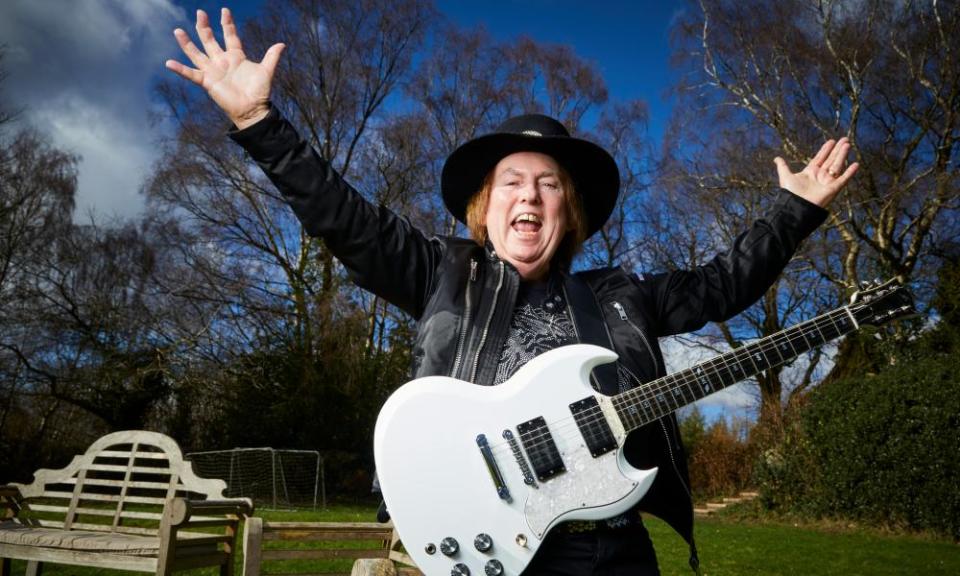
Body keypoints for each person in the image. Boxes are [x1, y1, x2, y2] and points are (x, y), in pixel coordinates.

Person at [166, 8, 858, 576]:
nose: (530, 194)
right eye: (511, 182)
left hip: (616, 548)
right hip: (495, 544)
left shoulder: (620, 295)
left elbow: (719, 285)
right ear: (484, 206)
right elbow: (344, 219)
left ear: (569, 212)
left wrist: (795, 210)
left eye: (549, 184)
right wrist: (261, 124)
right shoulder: (442, 272)